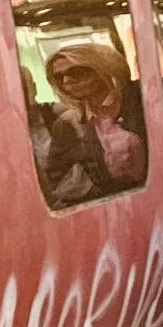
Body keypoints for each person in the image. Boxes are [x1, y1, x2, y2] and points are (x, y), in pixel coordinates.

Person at [31, 40, 142, 205]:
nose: (66, 81)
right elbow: (56, 176)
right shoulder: (67, 124)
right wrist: (96, 192)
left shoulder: (139, 99)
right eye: (59, 77)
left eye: (76, 71)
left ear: (101, 67)